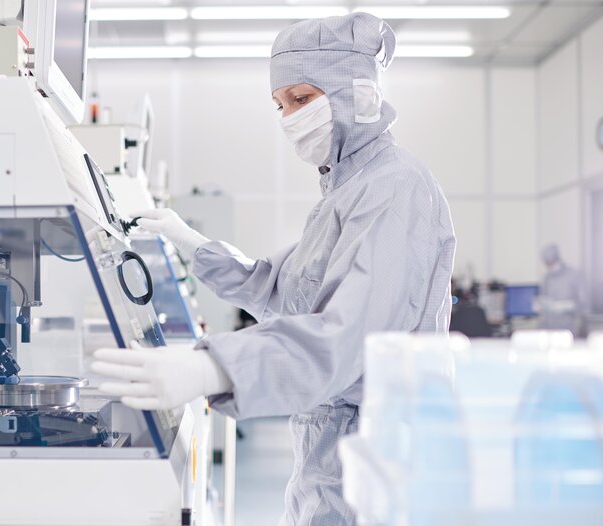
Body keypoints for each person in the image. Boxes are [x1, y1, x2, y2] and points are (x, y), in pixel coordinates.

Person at [91, 13, 456, 526]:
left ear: (357, 93)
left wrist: (212, 368)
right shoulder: (344, 192)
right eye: (280, 105)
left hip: (380, 472)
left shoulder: (395, 188)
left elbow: (346, 340)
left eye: (301, 99)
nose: (288, 117)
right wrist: (192, 242)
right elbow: (280, 290)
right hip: (332, 464)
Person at [538, 244, 586, 336]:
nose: (549, 266)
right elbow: (543, 299)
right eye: (547, 263)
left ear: (557, 258)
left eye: (551, 262)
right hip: (548, 328)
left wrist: (566, 305)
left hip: (568, 329)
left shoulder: (575, 275)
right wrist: (541, 304)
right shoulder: (547, 278)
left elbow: (583, 304)